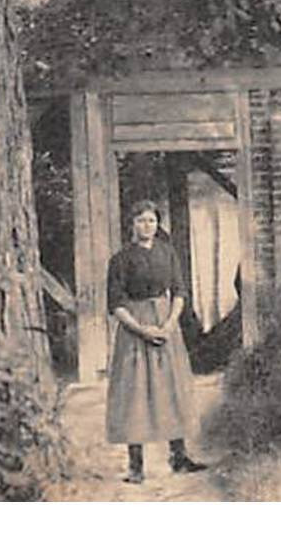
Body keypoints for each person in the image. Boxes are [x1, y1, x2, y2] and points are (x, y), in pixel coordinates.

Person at [105, 199, 207, 483]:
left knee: (172, 387)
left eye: (151, 220)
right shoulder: (120, 259)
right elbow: (115, 303)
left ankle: (179, 456)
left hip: (165, 324)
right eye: (140, 220)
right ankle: (136, 466)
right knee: (134, 391)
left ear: (157, 224)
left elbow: (179, 291)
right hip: (135, 328)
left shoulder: (167, 253)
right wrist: (141, 329)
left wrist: (170, 324)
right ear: (131, 224)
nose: (146, 226)